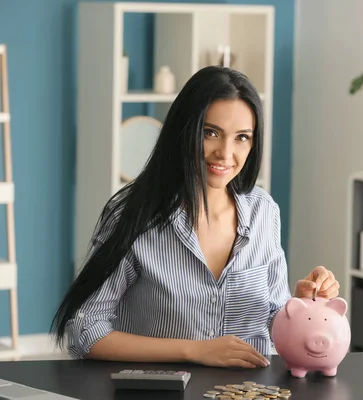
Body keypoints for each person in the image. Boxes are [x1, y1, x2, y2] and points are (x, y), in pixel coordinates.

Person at [50, 66, 340, 369]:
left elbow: (273, 323)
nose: (225, 154)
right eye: (211, 133)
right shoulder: (133, 216)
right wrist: (194, 351)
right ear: (184, 131)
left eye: (242, 137)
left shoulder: (264, 211)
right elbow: (85, 331)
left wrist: (303, 304)